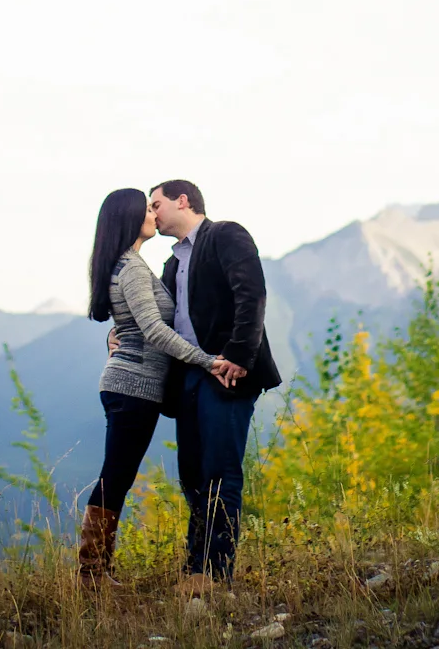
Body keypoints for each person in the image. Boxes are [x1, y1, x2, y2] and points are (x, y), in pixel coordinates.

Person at [78, 187, 232, 583]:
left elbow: (130, 324)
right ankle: (92, 572)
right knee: (116, 478)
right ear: (130, 217)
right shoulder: (130, 267)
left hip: (130, 385)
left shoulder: (129, 265)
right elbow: (154, 330)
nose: (153, 214)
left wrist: (117, 336)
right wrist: (208, 359)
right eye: (146, 209)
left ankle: (94, 572)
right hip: (133, 387)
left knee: (117, 476)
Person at [149, 179, 281, 592]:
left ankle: (216, 573)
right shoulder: (172, 264)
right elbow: (156, 318)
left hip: (227, 372)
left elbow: (252, 294)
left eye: (156, 204)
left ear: (182, 200)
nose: (151, 214)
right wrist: (113, 338)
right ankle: (195, 568)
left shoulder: (225, 234)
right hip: (188, 376)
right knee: (191, 474)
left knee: (220, 472)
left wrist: (240, 356)